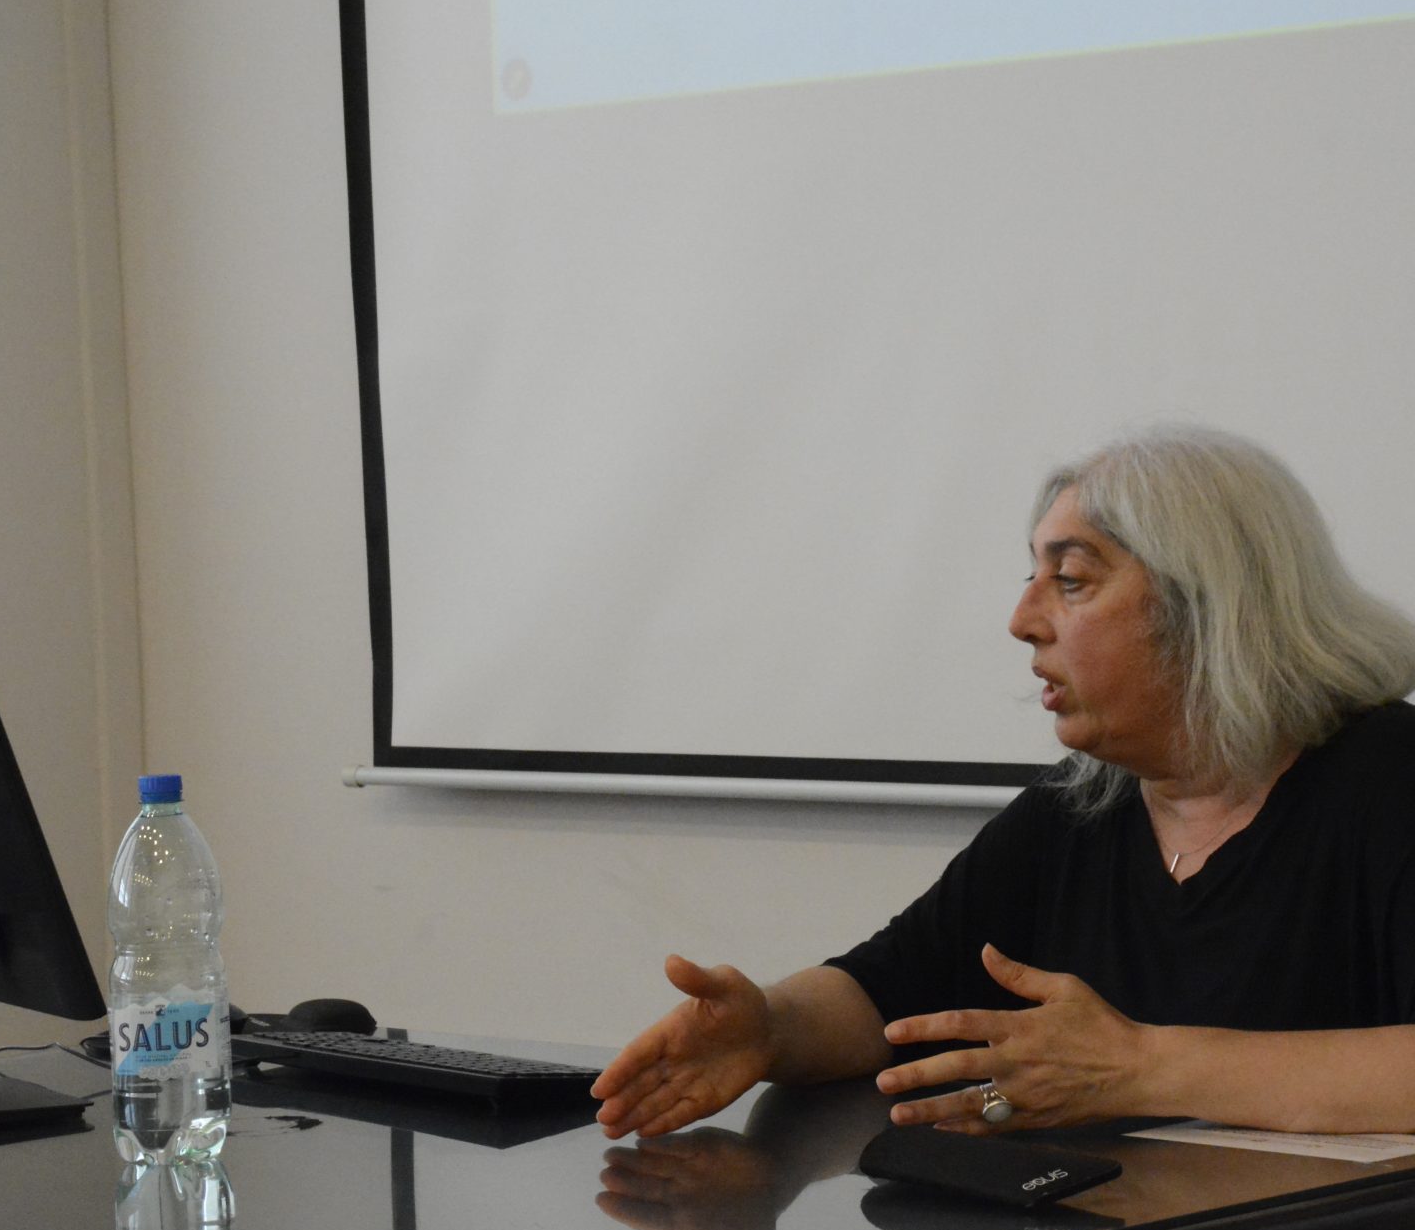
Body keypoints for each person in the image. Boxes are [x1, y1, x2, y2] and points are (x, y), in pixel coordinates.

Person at [592, 426, 1415, 1141]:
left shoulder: (1390, 778)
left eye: (1072, 580)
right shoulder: (1077, 808)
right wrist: (771, 1026)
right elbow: (886, 990)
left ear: (1207, 606)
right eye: (1032, 578)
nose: (1023, 620)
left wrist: (1144, 1067)